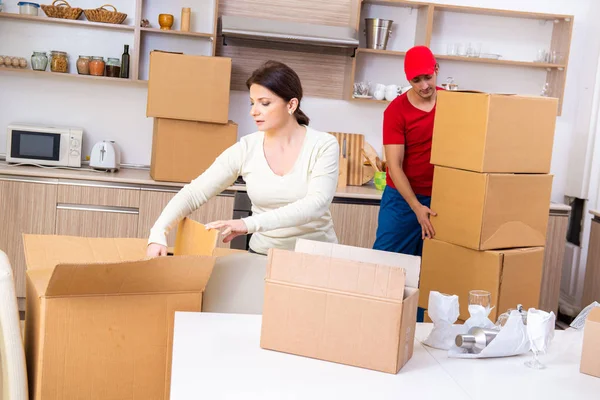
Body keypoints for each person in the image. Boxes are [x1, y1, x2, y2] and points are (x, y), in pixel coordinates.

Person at [146, 60, 340, 257]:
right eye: (252, 102)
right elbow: (195, 193)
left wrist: (247, 224)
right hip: (263, 255)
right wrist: (158, 232)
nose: (253, 111)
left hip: (317, 256)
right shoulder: (246, 148)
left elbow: (316, 204)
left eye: (264, 103)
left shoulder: (323, 145)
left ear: (291, 104)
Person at [373, 46, 441, 257]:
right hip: (402, 200)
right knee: (385, 263)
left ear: (436, 69)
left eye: (428, 77)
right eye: (416, 80)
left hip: (441, 198)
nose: (424, 85)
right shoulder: (396, 111)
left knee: (436, 268)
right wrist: (416, 207)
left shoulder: (453, 103)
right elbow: (394, 166)